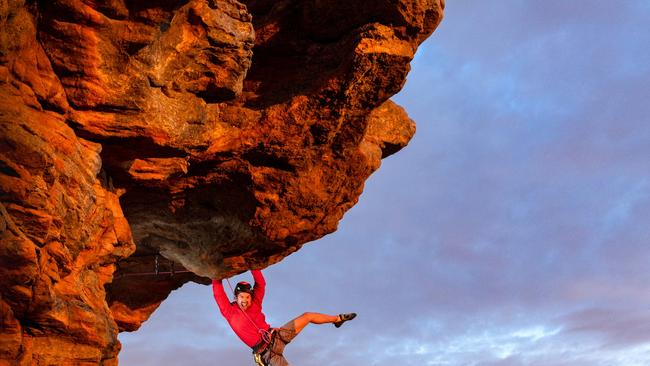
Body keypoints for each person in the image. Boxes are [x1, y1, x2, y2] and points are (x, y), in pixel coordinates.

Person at [212, 269, 356, 365]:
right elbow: (217, 290)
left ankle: (337, 319)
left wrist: (252, 265)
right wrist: (217, 270)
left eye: (248, 296)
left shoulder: (255, 303)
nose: (245, 300)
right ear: (236, 297)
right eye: (241, 296)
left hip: (276, 336)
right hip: (266, 354)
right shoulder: (228, 310)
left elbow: (261, 283)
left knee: (307, 316)